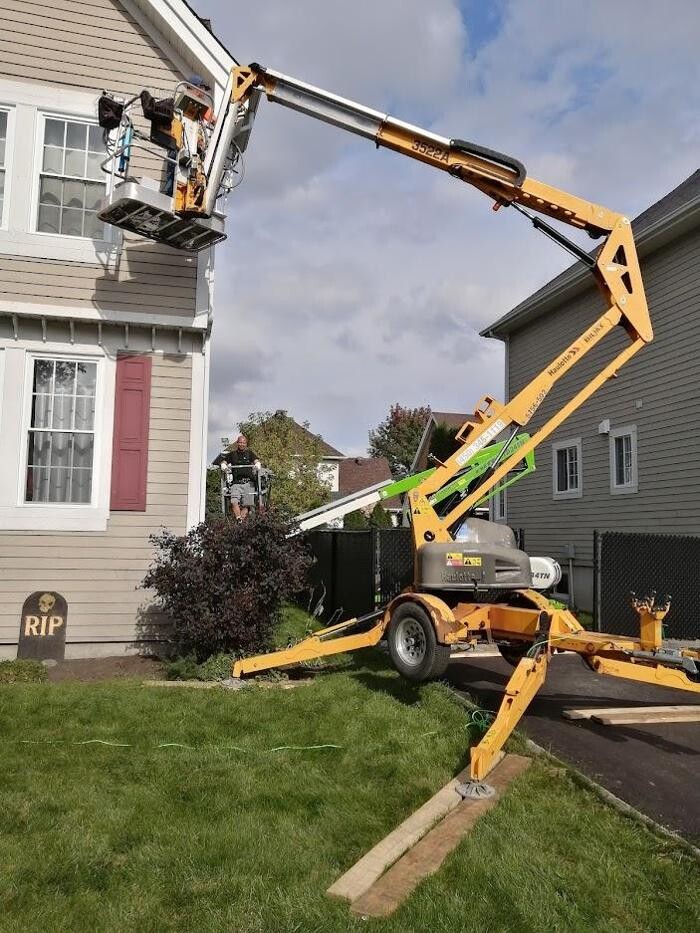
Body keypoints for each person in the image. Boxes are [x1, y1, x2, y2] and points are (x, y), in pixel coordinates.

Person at [214, 435, 262, 521]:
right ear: (237, 443)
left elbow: (256, 461)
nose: (242, 444)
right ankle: (238, 518)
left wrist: (257, 465)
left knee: (247, 505)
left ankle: (241, 522)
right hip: (236, 483)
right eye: (240, 442)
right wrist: (223, 465)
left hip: (248, 483)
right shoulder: (232, 454)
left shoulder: (250, 453)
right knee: (234, 501)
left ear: (246, 444)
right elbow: (224, 461)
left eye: (243, 443)